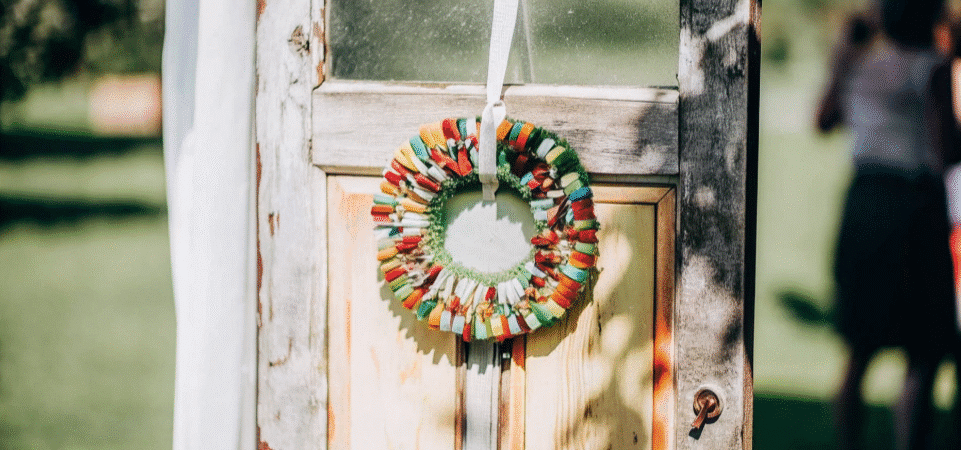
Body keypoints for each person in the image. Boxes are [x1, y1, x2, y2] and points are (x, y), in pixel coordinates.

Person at [816, 0, 961, 448]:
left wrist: (844, 56)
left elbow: (824, 120)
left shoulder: (861, 63)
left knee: (860, 344)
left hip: (866, 200)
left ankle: (849, 442)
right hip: (916, 206)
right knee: (924, 347)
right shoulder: (932, 68)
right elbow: (947, 149)